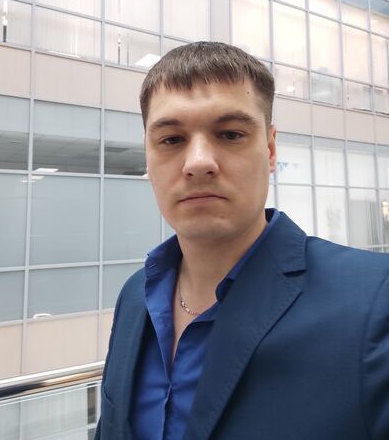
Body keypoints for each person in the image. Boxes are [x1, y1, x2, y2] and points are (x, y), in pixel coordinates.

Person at [95, 42, 389, 440]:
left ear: (270, 149)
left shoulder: (376, 300)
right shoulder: (135, 297)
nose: (198, 162)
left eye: (230, 134)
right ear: (148, 157)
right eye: (171, 140)